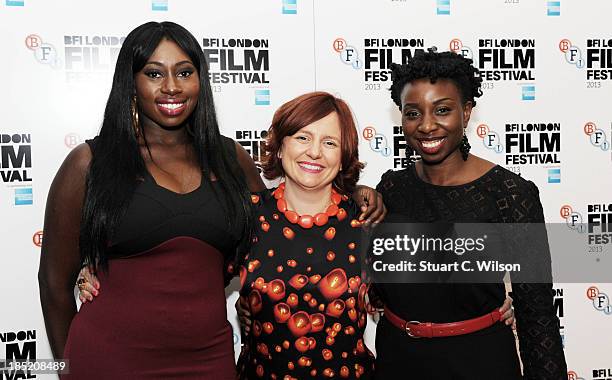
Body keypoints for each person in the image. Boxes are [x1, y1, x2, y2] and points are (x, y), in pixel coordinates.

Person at [38, 21, 265, 379]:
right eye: (154, 73)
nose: (171, 86)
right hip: (108, 362)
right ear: (131, 83)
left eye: (184, 72)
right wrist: (68, 371)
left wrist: (360, 194)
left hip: (208, 361)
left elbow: (279, 235)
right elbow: (53, 284)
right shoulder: (88, 163)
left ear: (200, 81)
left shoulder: (230, 158)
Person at [370, 50, 567, 379]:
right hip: (397, 358)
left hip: (478, 361)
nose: (427, 125)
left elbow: (538, 317)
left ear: (466, 111)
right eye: (413, 112)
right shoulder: (391, 188)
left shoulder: (510, 193)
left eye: (442, 110)